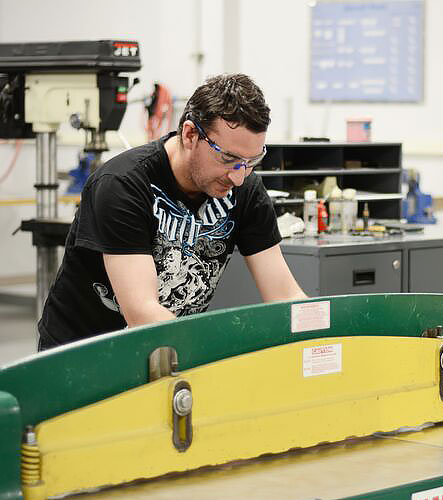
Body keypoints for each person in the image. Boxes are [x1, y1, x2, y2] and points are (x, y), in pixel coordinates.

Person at [37, 73, 307, 350]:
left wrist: (322, 336)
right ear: (190, 134)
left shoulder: (245, 189)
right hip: (84, 355)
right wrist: (218, 350)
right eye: (228, 158)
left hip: (167, 349)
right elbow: (142, 312)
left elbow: (284, 294)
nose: (239, 176)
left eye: (252, 161)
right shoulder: (123, 184)